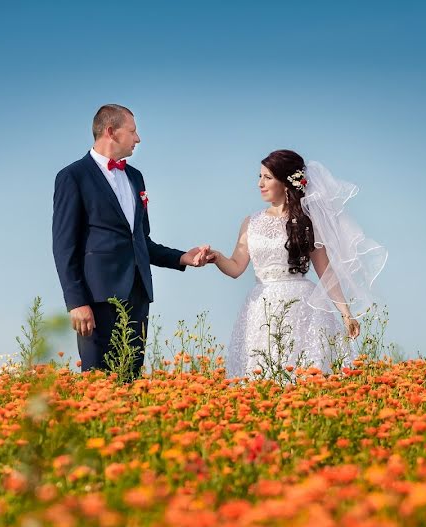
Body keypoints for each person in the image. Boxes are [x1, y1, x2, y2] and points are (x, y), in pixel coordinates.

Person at [52, 104, 211, 375]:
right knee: (98, 384)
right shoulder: (73, 176)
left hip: (137, 295)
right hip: (97, 299)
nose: (138, 138)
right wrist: (76, 302)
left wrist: (182, 257)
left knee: (130, 381)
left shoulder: (136, 178)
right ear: (111, 132)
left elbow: (141, 242)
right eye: (133, 131)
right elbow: (64, 245)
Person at [207, 150, 387, 378]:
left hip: (303, 308)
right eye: (259, 177)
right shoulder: (250, 222)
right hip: (260, 308)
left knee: (302, 372)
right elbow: (235, 267)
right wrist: (216, 257)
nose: (260, 183)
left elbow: (325, 271)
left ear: (285, 182)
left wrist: (346, 314)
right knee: (260, 372)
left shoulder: (307, 222)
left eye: (267, 177)